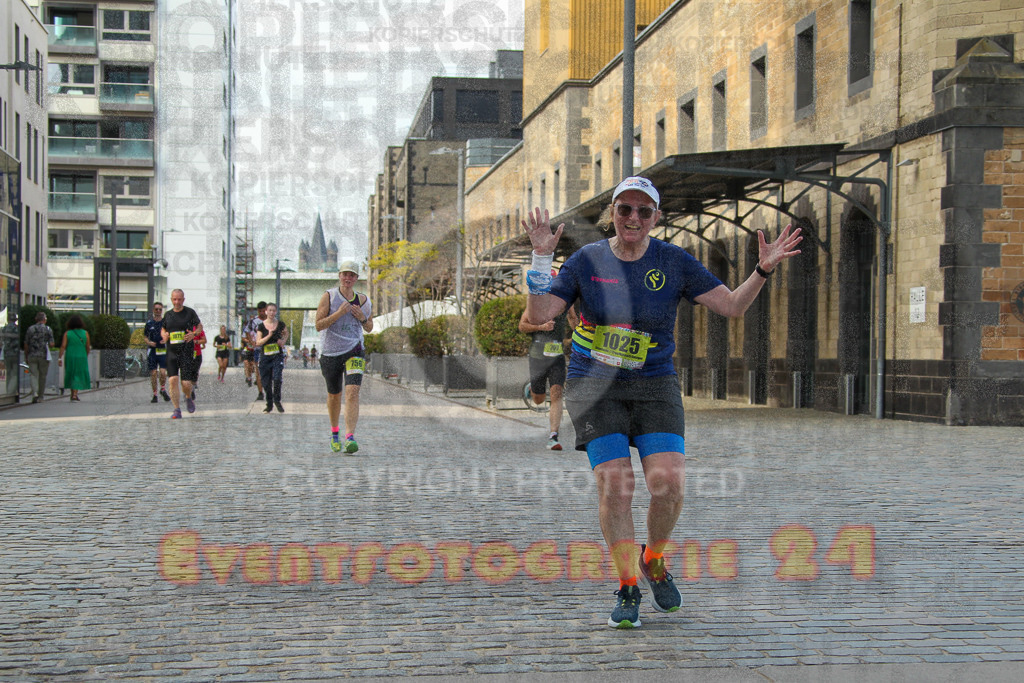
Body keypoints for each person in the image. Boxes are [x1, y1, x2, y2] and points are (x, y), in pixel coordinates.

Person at [522, 176, 802, 628]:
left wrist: (762, 270)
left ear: (656, 217)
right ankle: (628, 586)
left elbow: (731, 306)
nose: (633, 218)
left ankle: (653, 560)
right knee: (616, 484)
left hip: (654, 383)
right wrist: (540, 257)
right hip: (595, 385)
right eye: (624, 209)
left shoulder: (674, 261)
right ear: (612, 213)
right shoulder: (585, 260)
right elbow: (538, 316)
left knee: (668, 484)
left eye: (643, 211)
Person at [315, 261, 373, 453]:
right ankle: (334, 433)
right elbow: (319, 325)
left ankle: (350, 437)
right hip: (331, 352)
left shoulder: (364, 300)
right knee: (334, 395)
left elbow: (369, 327)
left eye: (352, 275)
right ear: (339, 276)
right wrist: (339, 314)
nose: (348, 278)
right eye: (345, 274)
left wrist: (362, 318)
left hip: (354, 350)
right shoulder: (329, 297)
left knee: (353, 391)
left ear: (356, 279)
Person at [518, 291, 577, 450]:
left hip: (556, 355)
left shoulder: (566, 302)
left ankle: (553, 436)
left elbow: (572, 318)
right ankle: (532, 388)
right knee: (538, 399)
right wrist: (541, 327)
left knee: (557, 392)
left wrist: (578, 331)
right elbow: (522, 326)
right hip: (537, 356)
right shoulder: (535, 304)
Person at [160, 289, 203, 419]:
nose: (177, 302)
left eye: (179, 299)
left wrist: (194, 334)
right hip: (172, 353)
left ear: (183, 299)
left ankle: (188, 397)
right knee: (172, 380)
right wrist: (164, 335)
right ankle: (176, 409)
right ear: (171, 299)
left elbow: (200, 326)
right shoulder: (167, 315)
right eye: (174, 299)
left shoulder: (190, 313)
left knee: (185, 383)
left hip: (186, 352)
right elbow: (163, 328)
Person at [254, 302, 289, 413]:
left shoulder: (280, 324)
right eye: (270, 310)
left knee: (277, 378)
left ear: (276, 312)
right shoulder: (261, 326)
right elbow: (258, 342)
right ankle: (269, 403)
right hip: (265, 356)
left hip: (277, 356)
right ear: (266, 312)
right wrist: (268, 336)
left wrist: (282, 341)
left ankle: (277, 400)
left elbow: (286, 333)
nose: (272, 313)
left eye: (274, 310)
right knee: (266, 382)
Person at [23, 311, 54, 404]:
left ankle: (34, 393)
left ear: (36, 319)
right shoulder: (48, 329)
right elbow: (52, 344)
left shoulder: (30, 329)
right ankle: (40, 396)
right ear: (45, 320)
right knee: (42, 376)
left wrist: (26, 355)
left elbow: (26, 343)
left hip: (32, 355)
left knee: (33, 375)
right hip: (44, 356)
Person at [58, 314, 91, 402]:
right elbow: (88, 346)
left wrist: (59, 357)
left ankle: (73, 394)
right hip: (82, 356)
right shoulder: (85, 333)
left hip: (70, 356)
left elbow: (63, 346)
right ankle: (74, 394)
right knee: (78, 374)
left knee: (71, 373)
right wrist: (86, 355)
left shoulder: (67, 333)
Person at [144, 302, 171, 403]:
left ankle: (163, 389)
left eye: (160, 309)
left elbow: (169, 334)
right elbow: (145, 337)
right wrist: (149, 342)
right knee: (154, 373)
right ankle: (155, 394)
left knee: (163, 373)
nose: (158, 311)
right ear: (153, 310)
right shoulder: (149, 323)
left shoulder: (165, 323)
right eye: (156, 309)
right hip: (153, 351)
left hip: (163, 350)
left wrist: (166, 339)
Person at [243, 302, 268, 400]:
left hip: (269, 350)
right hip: (258, 350)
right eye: (260, 311)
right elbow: (247, 331)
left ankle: (267, 389)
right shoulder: (253, 321)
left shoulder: (271, 321)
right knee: (258, 372)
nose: (262, 313)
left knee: (268, 372)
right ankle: (260, 392)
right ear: (258, 311)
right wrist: (251, 341)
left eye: (264, 311)